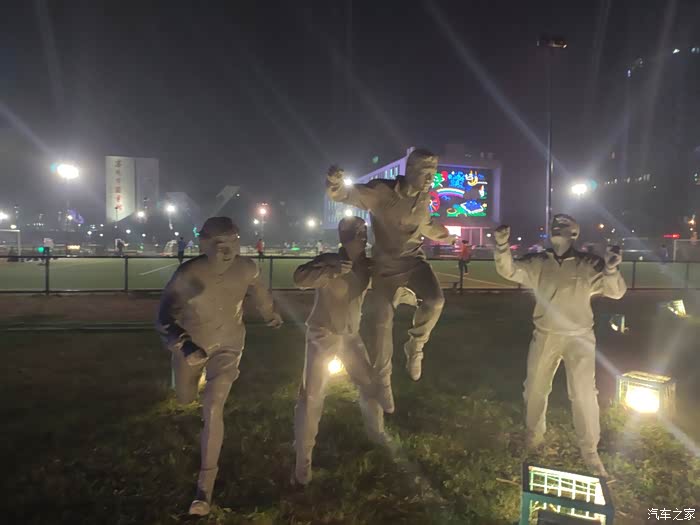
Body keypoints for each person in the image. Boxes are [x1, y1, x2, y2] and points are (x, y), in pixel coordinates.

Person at [156, 217, 283, 515]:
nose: (227, 252)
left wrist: (270, 314)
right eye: (219, 244)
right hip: (194, 344)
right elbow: (163, 316)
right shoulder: (189, 274)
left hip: (229, 344)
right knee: (185, 397)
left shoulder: (247, 268)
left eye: (233, 243)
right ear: (204, 244)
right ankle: (184, 378)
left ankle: (205, 489)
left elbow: (260, 291)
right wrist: (183, 344)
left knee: (213, 405)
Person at [493, 214, 626, 477]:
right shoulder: (538, 261)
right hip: (545, 334)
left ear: (574, 234)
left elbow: (616, 292)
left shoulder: (589, 263)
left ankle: (589, 450)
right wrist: (501, 247)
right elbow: (509, 270)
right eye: (555, 223)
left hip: (580, 337)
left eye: (563, 225)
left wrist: (611, 270)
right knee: (535, 388)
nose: (556, 226)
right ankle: (534, 437)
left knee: (584, 393)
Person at [326, 148, 458, 412]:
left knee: (435, 301)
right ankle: (383, 381)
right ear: (410, 170)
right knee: (382, 323)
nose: (431, 178)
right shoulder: (382, 192)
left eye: (433, 173)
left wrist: (445, 235)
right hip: (385, 268)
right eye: (426, 172)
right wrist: (335, 184)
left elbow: (425, 224)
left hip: (414, 262)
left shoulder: (424, 197)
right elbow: (345, 195)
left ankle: (416, 346)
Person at [292, 217, 393, 486]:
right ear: (345, 236)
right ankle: (303, 461)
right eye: (357, 233)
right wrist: (329, 269)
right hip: (322, 335)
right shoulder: (331, 260)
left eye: (363, 232)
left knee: (370, 384)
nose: (362, 237)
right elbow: (299, 278)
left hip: (350, 336)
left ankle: (377, 434)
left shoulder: (367, 266)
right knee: (311, 396)